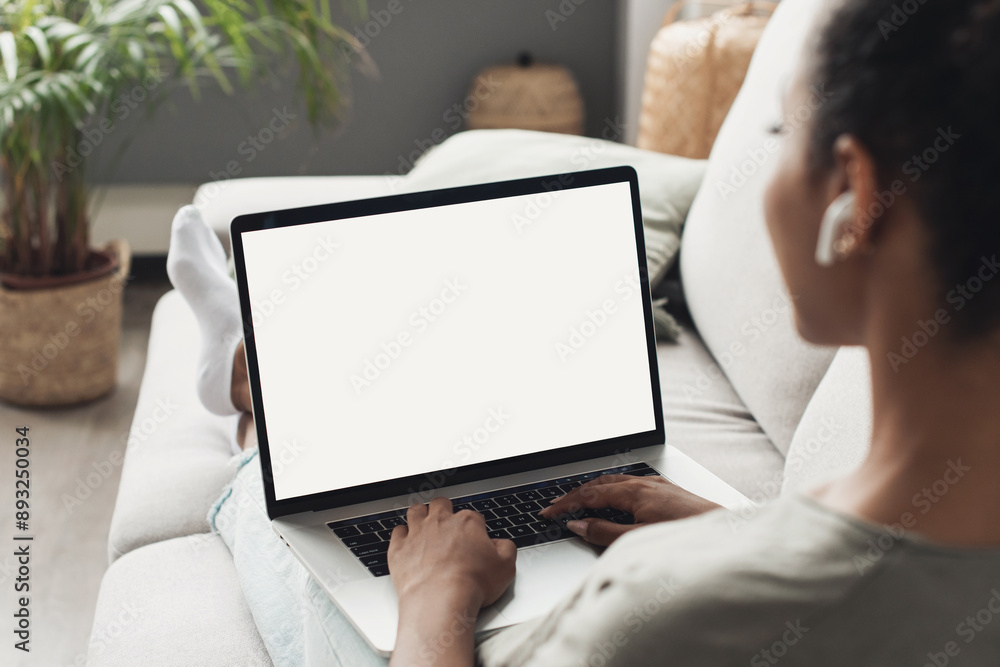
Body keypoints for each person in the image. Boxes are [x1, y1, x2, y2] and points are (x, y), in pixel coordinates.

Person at [166, 0, 1000, 663]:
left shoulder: (665, 605)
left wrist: (436, 600)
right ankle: (246, 375)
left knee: (297, 530)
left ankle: (244, 401)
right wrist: (729, 525)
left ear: (854, 196)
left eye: (782, 136)